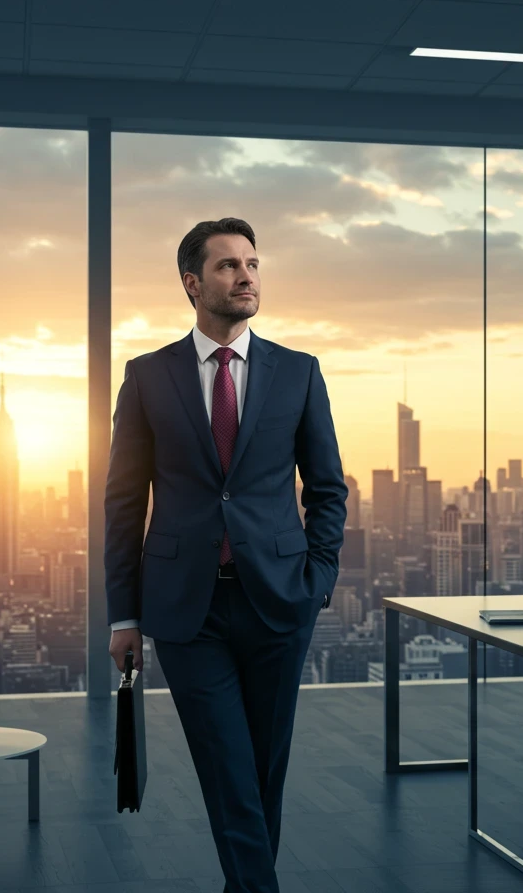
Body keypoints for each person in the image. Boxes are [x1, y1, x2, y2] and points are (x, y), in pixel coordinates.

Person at [105, 217, 347, 892]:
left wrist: (319, 579)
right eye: (228, 265)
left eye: (253, 264)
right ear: (192, 283)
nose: (246, 276)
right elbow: (123, 503)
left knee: (264, 771)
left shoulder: (299, 373)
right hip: (189, 608)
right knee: (228, 768)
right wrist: (123, 615)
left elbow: (328, 488)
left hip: (280, 600)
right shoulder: (147, 377)